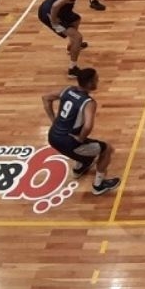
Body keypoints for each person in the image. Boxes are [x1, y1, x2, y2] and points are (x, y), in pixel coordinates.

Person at [41, 67, 121, 195]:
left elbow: (46, 98)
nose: (98, 81)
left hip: (53, 136)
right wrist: (81, 139)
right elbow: (88, 126)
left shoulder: (67, 90)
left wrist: (53, 120)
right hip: (68, 141)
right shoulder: (89, 102)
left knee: (86, 147)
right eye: (96, 79)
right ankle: (98, 185)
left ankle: (79, 168)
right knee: (107, 149)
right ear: (89, 83)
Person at [38, 0, 89, 77]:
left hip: (52, 9)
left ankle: (72, 46)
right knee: (78, 37)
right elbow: (55, 6)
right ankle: (72, 69)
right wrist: (54, 20)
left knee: (76, 19)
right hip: (49, 14)